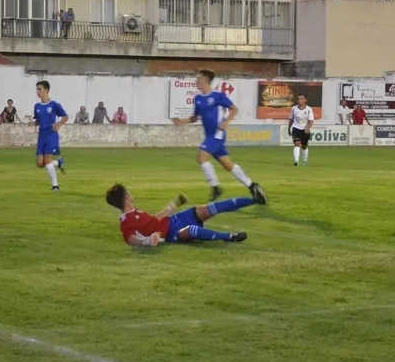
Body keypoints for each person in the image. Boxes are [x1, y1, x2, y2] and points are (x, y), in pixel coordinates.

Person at [172, 68, 267, 204]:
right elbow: (194, 118)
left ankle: (216, 187)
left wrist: (226, 121)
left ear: (206, 81)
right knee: (228, 165)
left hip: (217, 134)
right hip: (210, 136)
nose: (196, 81)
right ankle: (252, 186)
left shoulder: (217, 96)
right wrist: (181, 121)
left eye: (199, 79)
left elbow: (234, 109)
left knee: (201, 156)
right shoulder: (198, 98)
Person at [106, 184, 251, 247]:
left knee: (211, 208)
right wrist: (147, 241)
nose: (131, 193)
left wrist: (175, 204)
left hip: (175, 219)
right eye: (128, 192)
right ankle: (230, 237)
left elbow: (156, 219)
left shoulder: (135, 212)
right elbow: (131, 240)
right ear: (125, 198)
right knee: (192, 230)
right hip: (172, 233)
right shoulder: (126, 221)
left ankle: (254, 199)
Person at [29, 80, 68, 191]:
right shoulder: (37, 106)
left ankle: (55, 186)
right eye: (37, 89)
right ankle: (58, 162)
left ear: (46, 90)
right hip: (41, 135)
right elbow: (39, 121)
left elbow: (65, 116)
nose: (37, 91)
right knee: (40, 163)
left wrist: (59, 124)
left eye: (39, 89)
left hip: (51, 135)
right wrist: (33, 123)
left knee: (47, 160)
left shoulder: (54, 105)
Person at [288, 94, 314, 166]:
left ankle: (305, 161)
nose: (299, 100)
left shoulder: (309, 109)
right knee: (297, 144)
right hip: (296, 129)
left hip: (305, 130)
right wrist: (288, 128)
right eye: (298, 99)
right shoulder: (294, 108)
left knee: (304, 146)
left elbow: (311, 121)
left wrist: (307, 128)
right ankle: (296, 161)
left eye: (301, 99)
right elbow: (291, 119)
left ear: (305, 100)